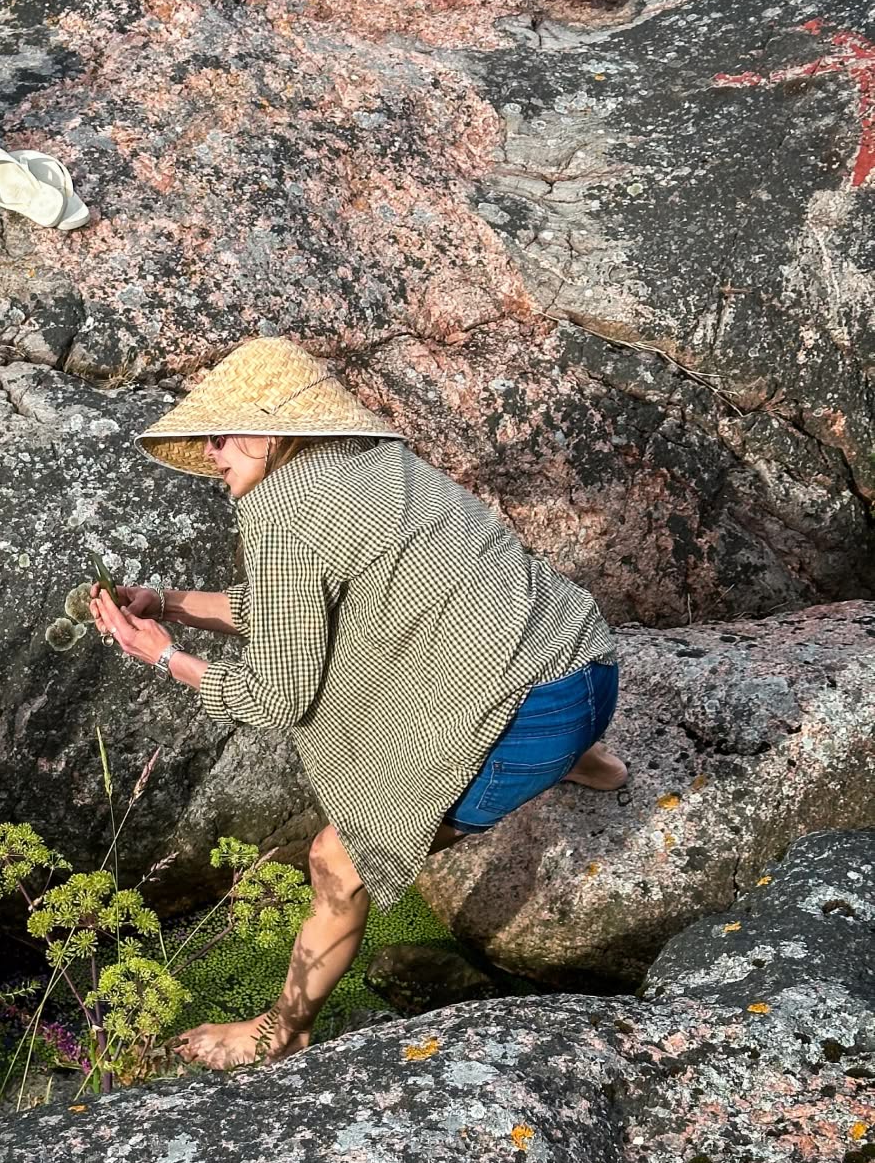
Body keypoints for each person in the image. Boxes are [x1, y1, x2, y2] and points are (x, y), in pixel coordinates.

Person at [88, 336, 628, 1071]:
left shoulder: (279, 511)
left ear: (267, 431)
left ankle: (282, 1031)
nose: (212, 453)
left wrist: (162, 656)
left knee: (336, 862)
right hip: (591, 668)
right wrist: (173, 602)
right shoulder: (374, 464)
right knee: (500, 653)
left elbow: (273, 698)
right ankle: (588, 763)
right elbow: (295, 608)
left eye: (219, 435)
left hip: (534, 720)